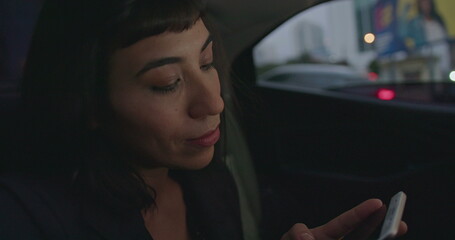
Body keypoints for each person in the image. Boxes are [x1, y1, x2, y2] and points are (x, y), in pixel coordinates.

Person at [0, 0, 407, 239]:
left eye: (207, 62)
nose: (212, 103)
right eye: (167, 82)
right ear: (88, 103)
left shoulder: (205, 181)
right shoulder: (26, 217)